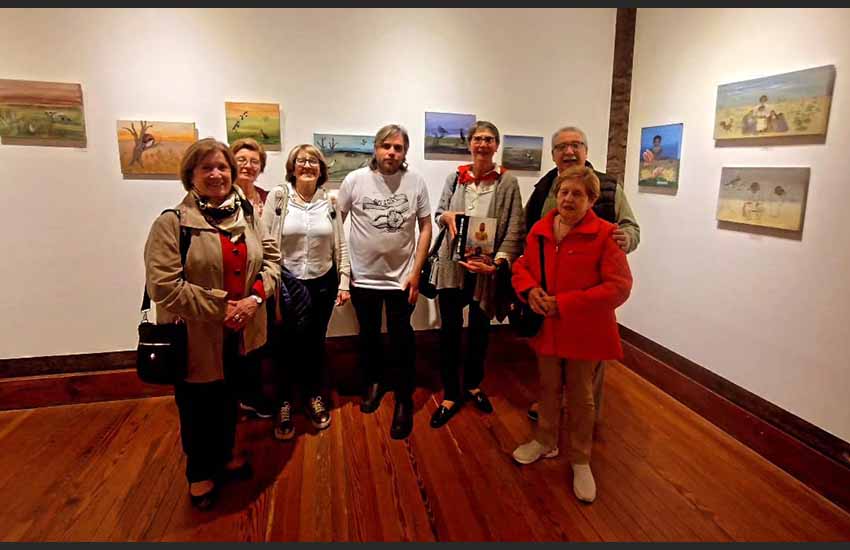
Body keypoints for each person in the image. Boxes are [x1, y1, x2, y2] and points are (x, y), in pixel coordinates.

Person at [143, 138, 280, 510]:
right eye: (207, 168)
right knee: (198, 405)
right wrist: (223, 308)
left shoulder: (249, 214)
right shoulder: (172, 223)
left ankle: (226, 454)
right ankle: (200, 472)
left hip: (243, 331)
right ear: (191, 176)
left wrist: (252, 300)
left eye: (222, 167)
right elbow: (164, 286)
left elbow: (271, 262)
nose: (217, 174)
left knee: (230, 396)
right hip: (197, 337)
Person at [511, 165, 632, 503]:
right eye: (564, 191)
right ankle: (545, 441)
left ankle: (581, 459)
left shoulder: (606, 235)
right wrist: (530, 290)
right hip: (548, 328)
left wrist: (565, 303)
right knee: (548, 388)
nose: (568, 198)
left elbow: (619, 288)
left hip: (585, 330)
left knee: (581, 396)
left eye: (577, 194)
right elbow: (522, 266)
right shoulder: (542, 228)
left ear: (591, 200)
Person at [524, 126, 640, 424]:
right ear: (553, 155)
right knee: (551, 367)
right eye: (562, 147)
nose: (569, 151)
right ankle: (552, 412)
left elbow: (631, 228)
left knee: (588, 372)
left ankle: (585, 422)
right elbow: (531, 234)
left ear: (586, 151)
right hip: (550, 296)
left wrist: (626, 237)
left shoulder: (609, 187)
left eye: (576, 145)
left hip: (589, 298)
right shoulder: (542, 189)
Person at [336, 124, 432, 440]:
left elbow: (426, 227)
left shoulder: (415, 182)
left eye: (398, 148)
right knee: (369, 335)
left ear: (405, 152)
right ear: (375, 149)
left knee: (403, 339)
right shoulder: (355, 180)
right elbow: (338, 223)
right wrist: (344, 272)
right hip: (363, 277)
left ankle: (403, 397)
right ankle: (374, 382)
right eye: (386, 146)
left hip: (401, 280)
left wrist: (416, 272)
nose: (391, 152)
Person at [429, 121, 525, 428]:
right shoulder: (455, 178)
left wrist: (497, 263)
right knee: (450, 331)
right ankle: (450, 393)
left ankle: (472, 384)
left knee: (480, 332)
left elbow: (514, 227)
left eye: (488, 139)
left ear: (496, 146)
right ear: (470, 144)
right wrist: (447, 215)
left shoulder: (508, 182)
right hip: (452, 266)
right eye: (477, 139)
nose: (482, 144)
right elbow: (439, 212)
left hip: (485, 269)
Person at [261, 144, 351, 440]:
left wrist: (344, 281)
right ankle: (284, 402)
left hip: (322, 282)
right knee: (283, 345)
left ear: (322, 169)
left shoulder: (331, 202)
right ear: (292, 166)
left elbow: (340, 244)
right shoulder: (279, 198)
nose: (308, 165)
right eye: (302, 161)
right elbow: (265, 243)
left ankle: (314, 396)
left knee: (314, 343)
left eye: (314, 161)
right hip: (286, 283)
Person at [229, 138, 274, 419]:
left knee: (258, 343)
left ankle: (252, 396)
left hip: (263, 281)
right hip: (232, 282)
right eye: (241, 160)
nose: (248, 165)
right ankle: (233, 401)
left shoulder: (268, 198)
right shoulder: (222, 196)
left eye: (254, 161)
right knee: (231, 345)